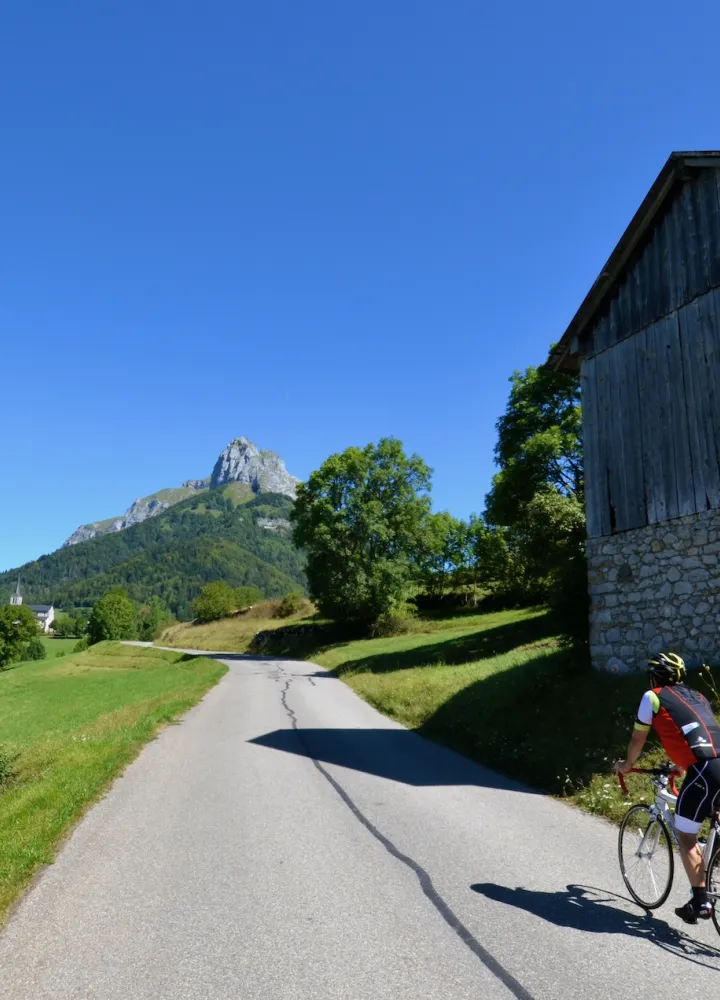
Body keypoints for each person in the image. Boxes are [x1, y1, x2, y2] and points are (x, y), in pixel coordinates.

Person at [615, 652, 720, 924]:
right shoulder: (699, 697)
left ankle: (701, 902)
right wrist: (681, 765)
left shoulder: (653, 697)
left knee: (686, 837)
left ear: (654, 676)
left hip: (706, 772)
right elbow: (696, 735)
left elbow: (639, 738)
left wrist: (627, 764)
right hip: (710, 765)